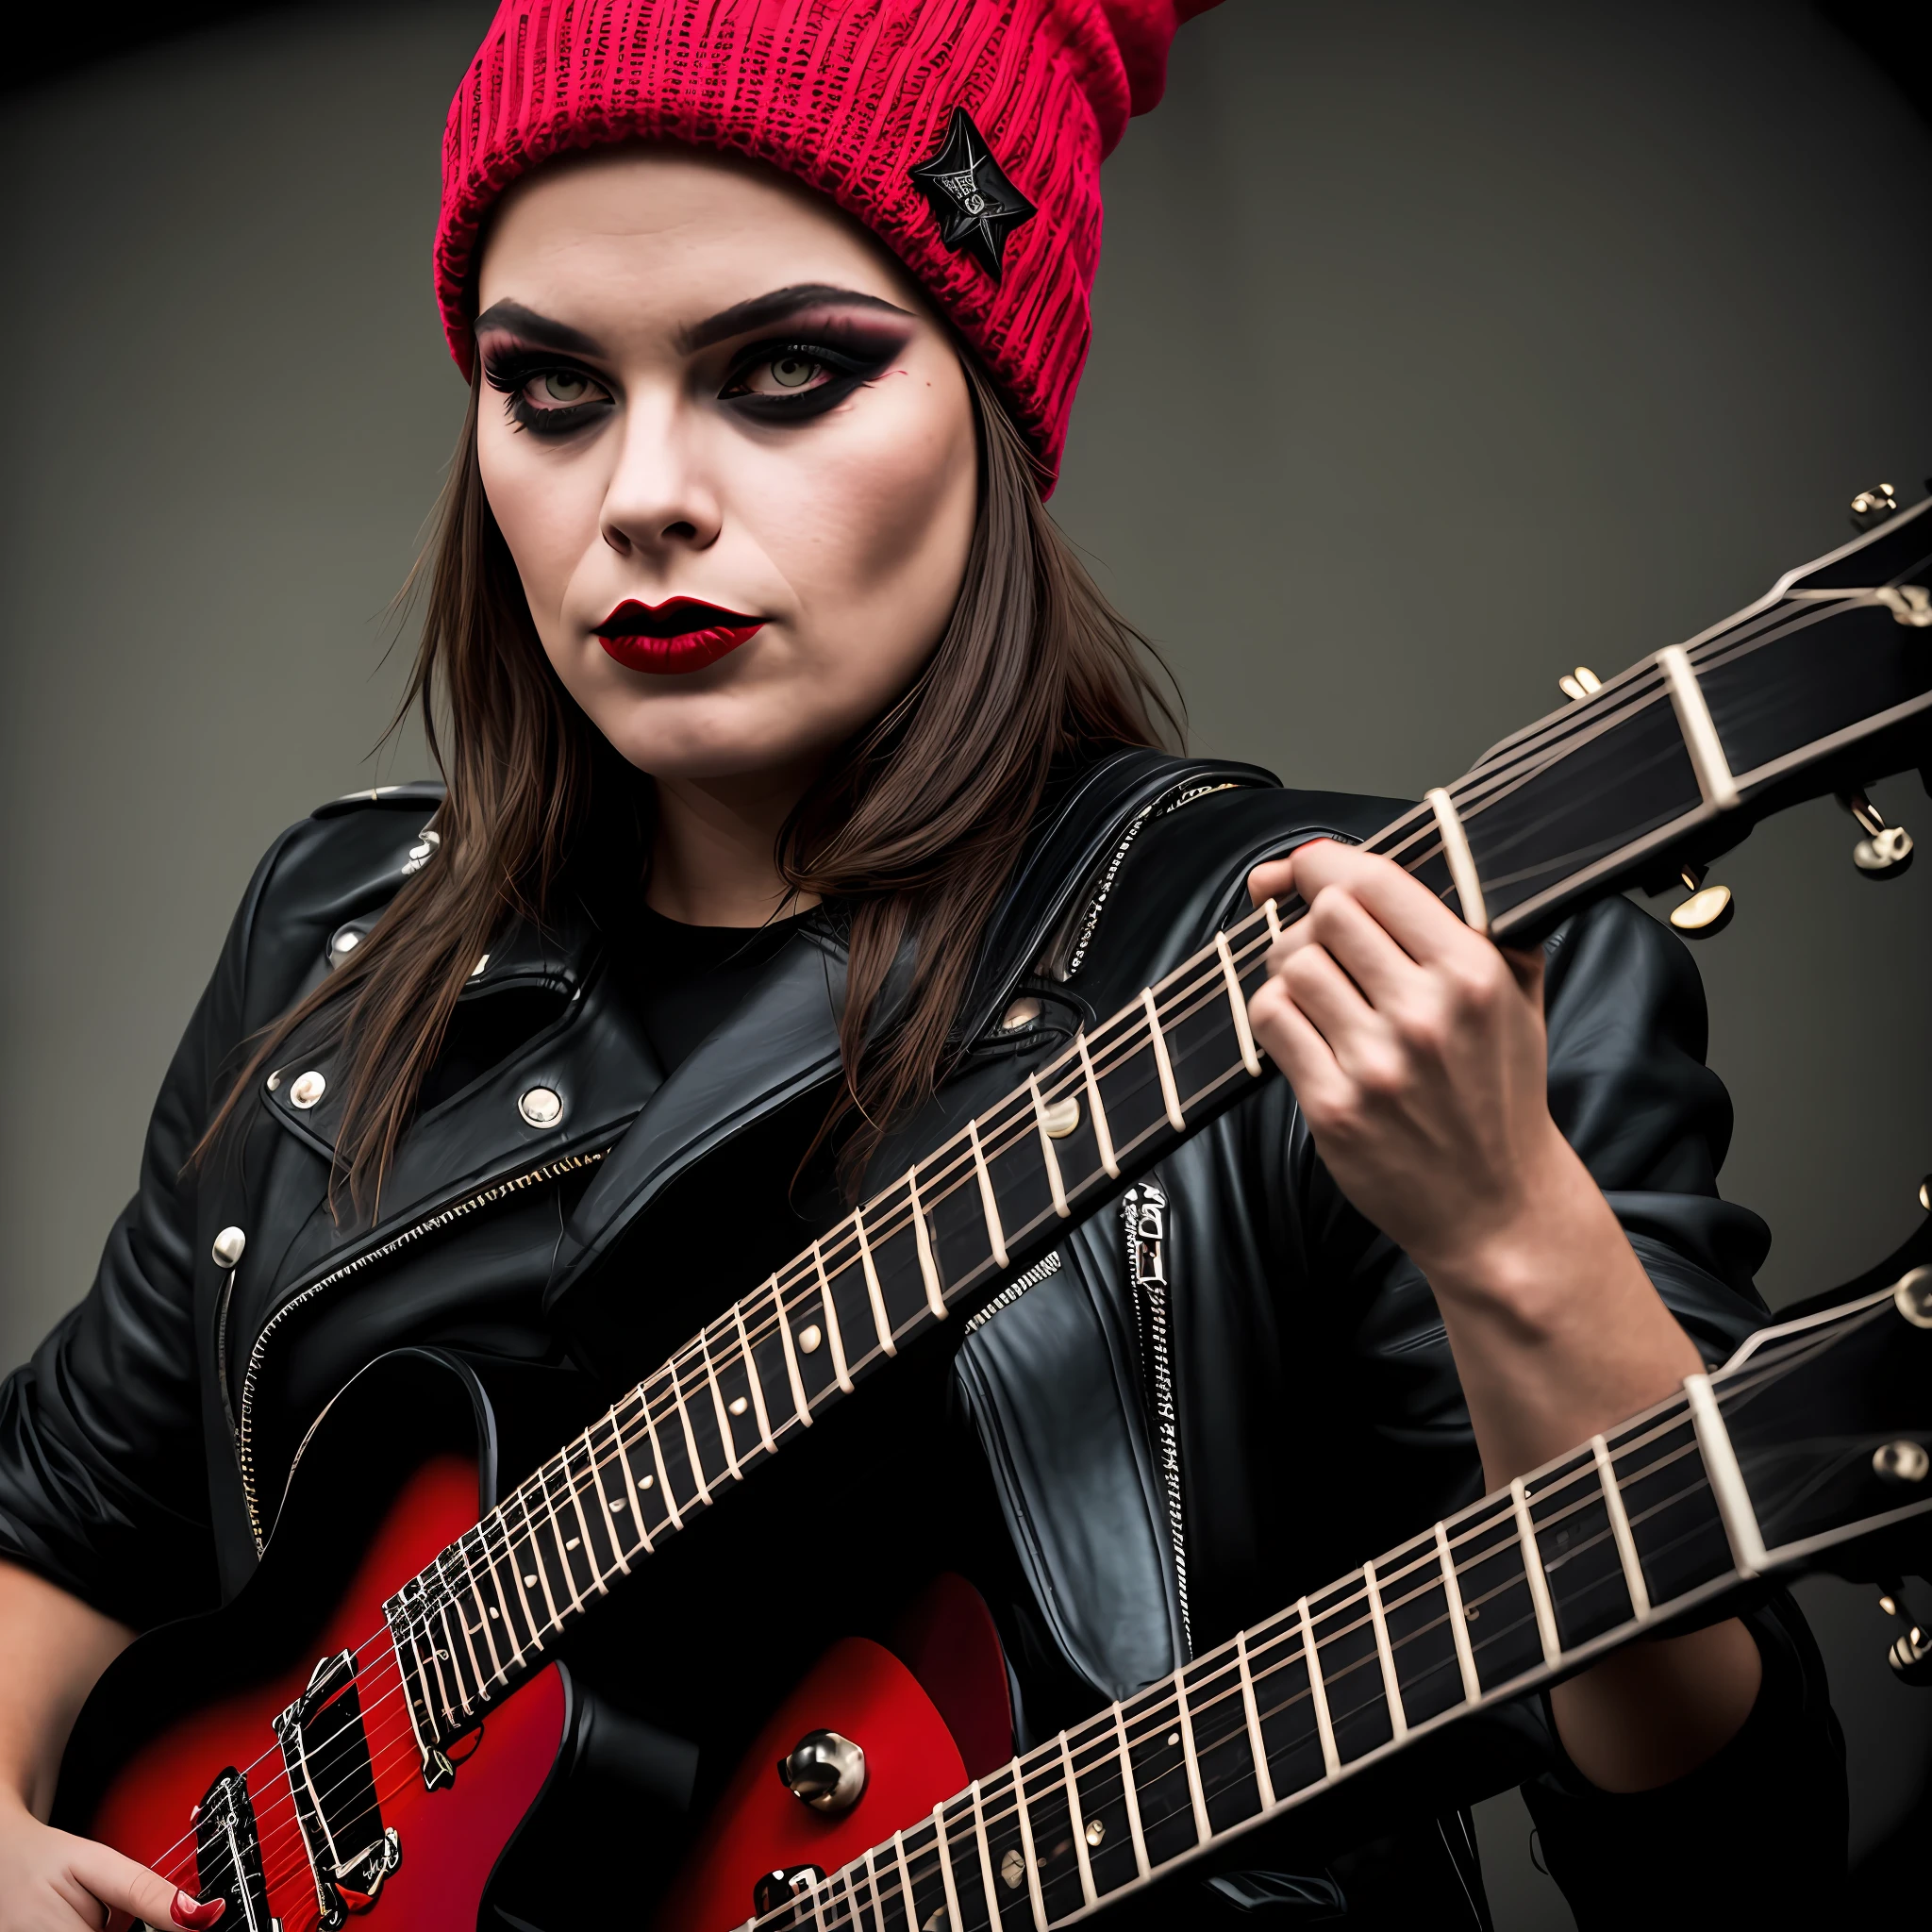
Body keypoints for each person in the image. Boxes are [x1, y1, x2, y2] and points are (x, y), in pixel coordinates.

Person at [0, 2, 1845, 1926]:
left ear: (991, 394)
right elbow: (59, 1508)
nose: (644, 495)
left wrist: (1514, 1248)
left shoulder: (1380, 975)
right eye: (550, 389)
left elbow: (1731, 1851)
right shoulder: (340, 936)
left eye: (785, 371)